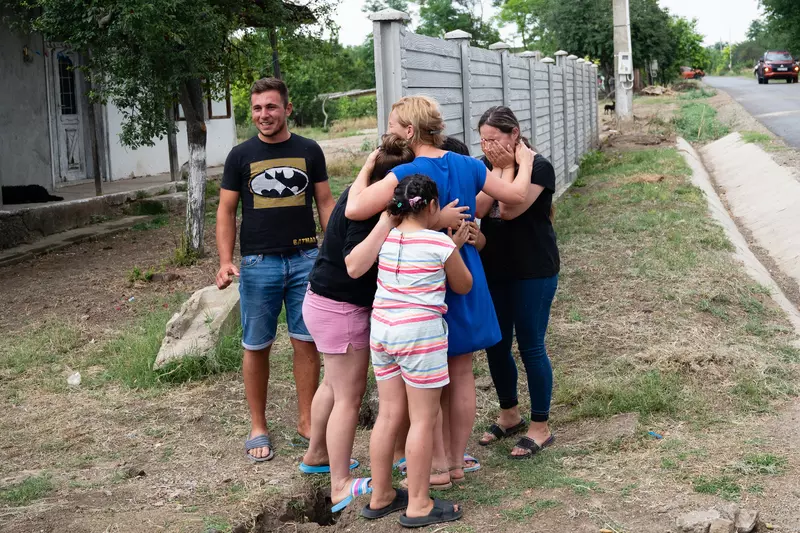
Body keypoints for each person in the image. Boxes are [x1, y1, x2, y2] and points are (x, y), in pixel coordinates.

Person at [345, 96, 534, 487]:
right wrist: (525, 160)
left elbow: (355, 208)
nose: (388, 131)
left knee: (428, 381)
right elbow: (516, 195)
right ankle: (457, 461)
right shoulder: (468, 165)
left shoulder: (406, 172)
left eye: (393, 125)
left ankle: (437, 464)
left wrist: (367, 167)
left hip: (425, 282)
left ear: (409, 130)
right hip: (465, 271)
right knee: (461, 371)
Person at [215, 77, 336, 462]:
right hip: (258, 264)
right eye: (257, 108)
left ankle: (307, 422)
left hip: (305, 260)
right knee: (256, 345)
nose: (263, 114)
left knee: (306, 342)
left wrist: (336, 250)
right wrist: (225, 260)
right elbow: (226, 211)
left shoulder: (309, 149)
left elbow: (325, 202)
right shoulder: (240, 156)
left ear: (287, 108)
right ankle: (258, 426)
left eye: (270, 106)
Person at [297, 134, 415, 512]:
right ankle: (340, 485)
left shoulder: (358, 190)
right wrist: (387, 222)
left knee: (332, 385)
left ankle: (317, 454)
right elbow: (355, 264)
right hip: (342, 309)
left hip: (320, 301)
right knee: (349, 398)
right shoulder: (371, 211)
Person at [348, 174, 472, 527]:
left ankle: (382, 494)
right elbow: (463, 285)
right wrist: (454, 249)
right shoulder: (439, 243)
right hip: (420, 336)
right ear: (432, 206)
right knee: (422, 419)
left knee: (389, 415)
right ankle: (418, 504)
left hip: (383, 331)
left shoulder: (386, 238)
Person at [473, 106, 560, 459]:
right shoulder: (484, 165)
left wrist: (513, 166)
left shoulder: (539, 167)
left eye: (494, 139)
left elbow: (509, 209)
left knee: (530, 346)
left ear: (515, 134)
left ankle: (540, 426)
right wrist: (500, 167)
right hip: (494, 269)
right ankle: (509, 413)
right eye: (483, 140)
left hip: (533, 270)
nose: (488, 146)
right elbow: (480, 209)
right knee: (495, 344)